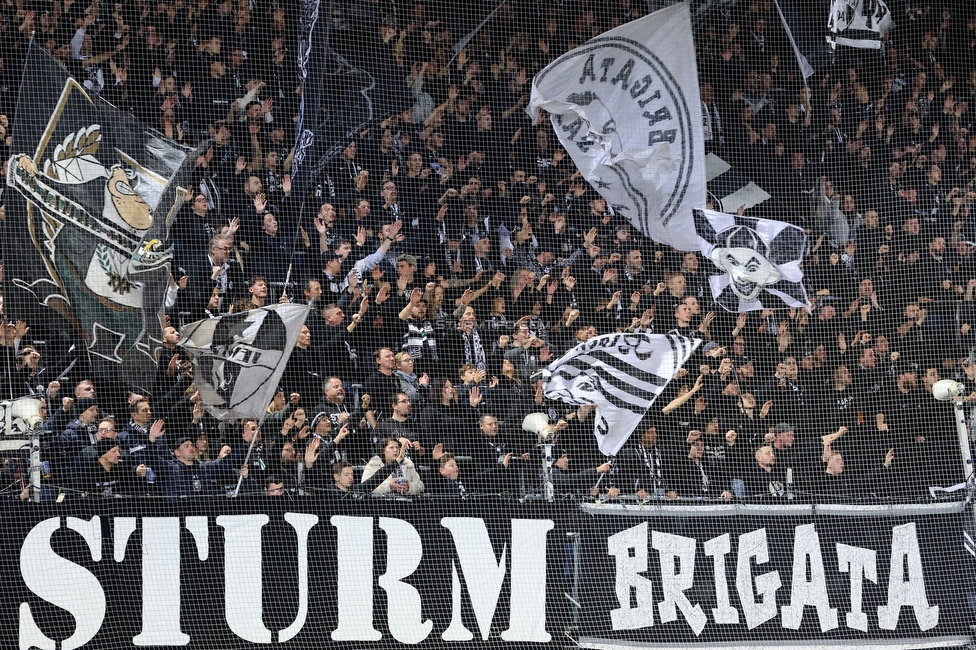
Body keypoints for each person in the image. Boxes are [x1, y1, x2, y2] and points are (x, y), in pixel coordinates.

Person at [360, 437, 424, 496]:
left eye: (397, 447)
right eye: (391, 447)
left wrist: (409, 487)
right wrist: (389, 486)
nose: (395, 450)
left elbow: (421, 486)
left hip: (407, 503)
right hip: (383, 503)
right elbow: (365, 487)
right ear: (383, 450)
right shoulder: (374, 464)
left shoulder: (408, 464)